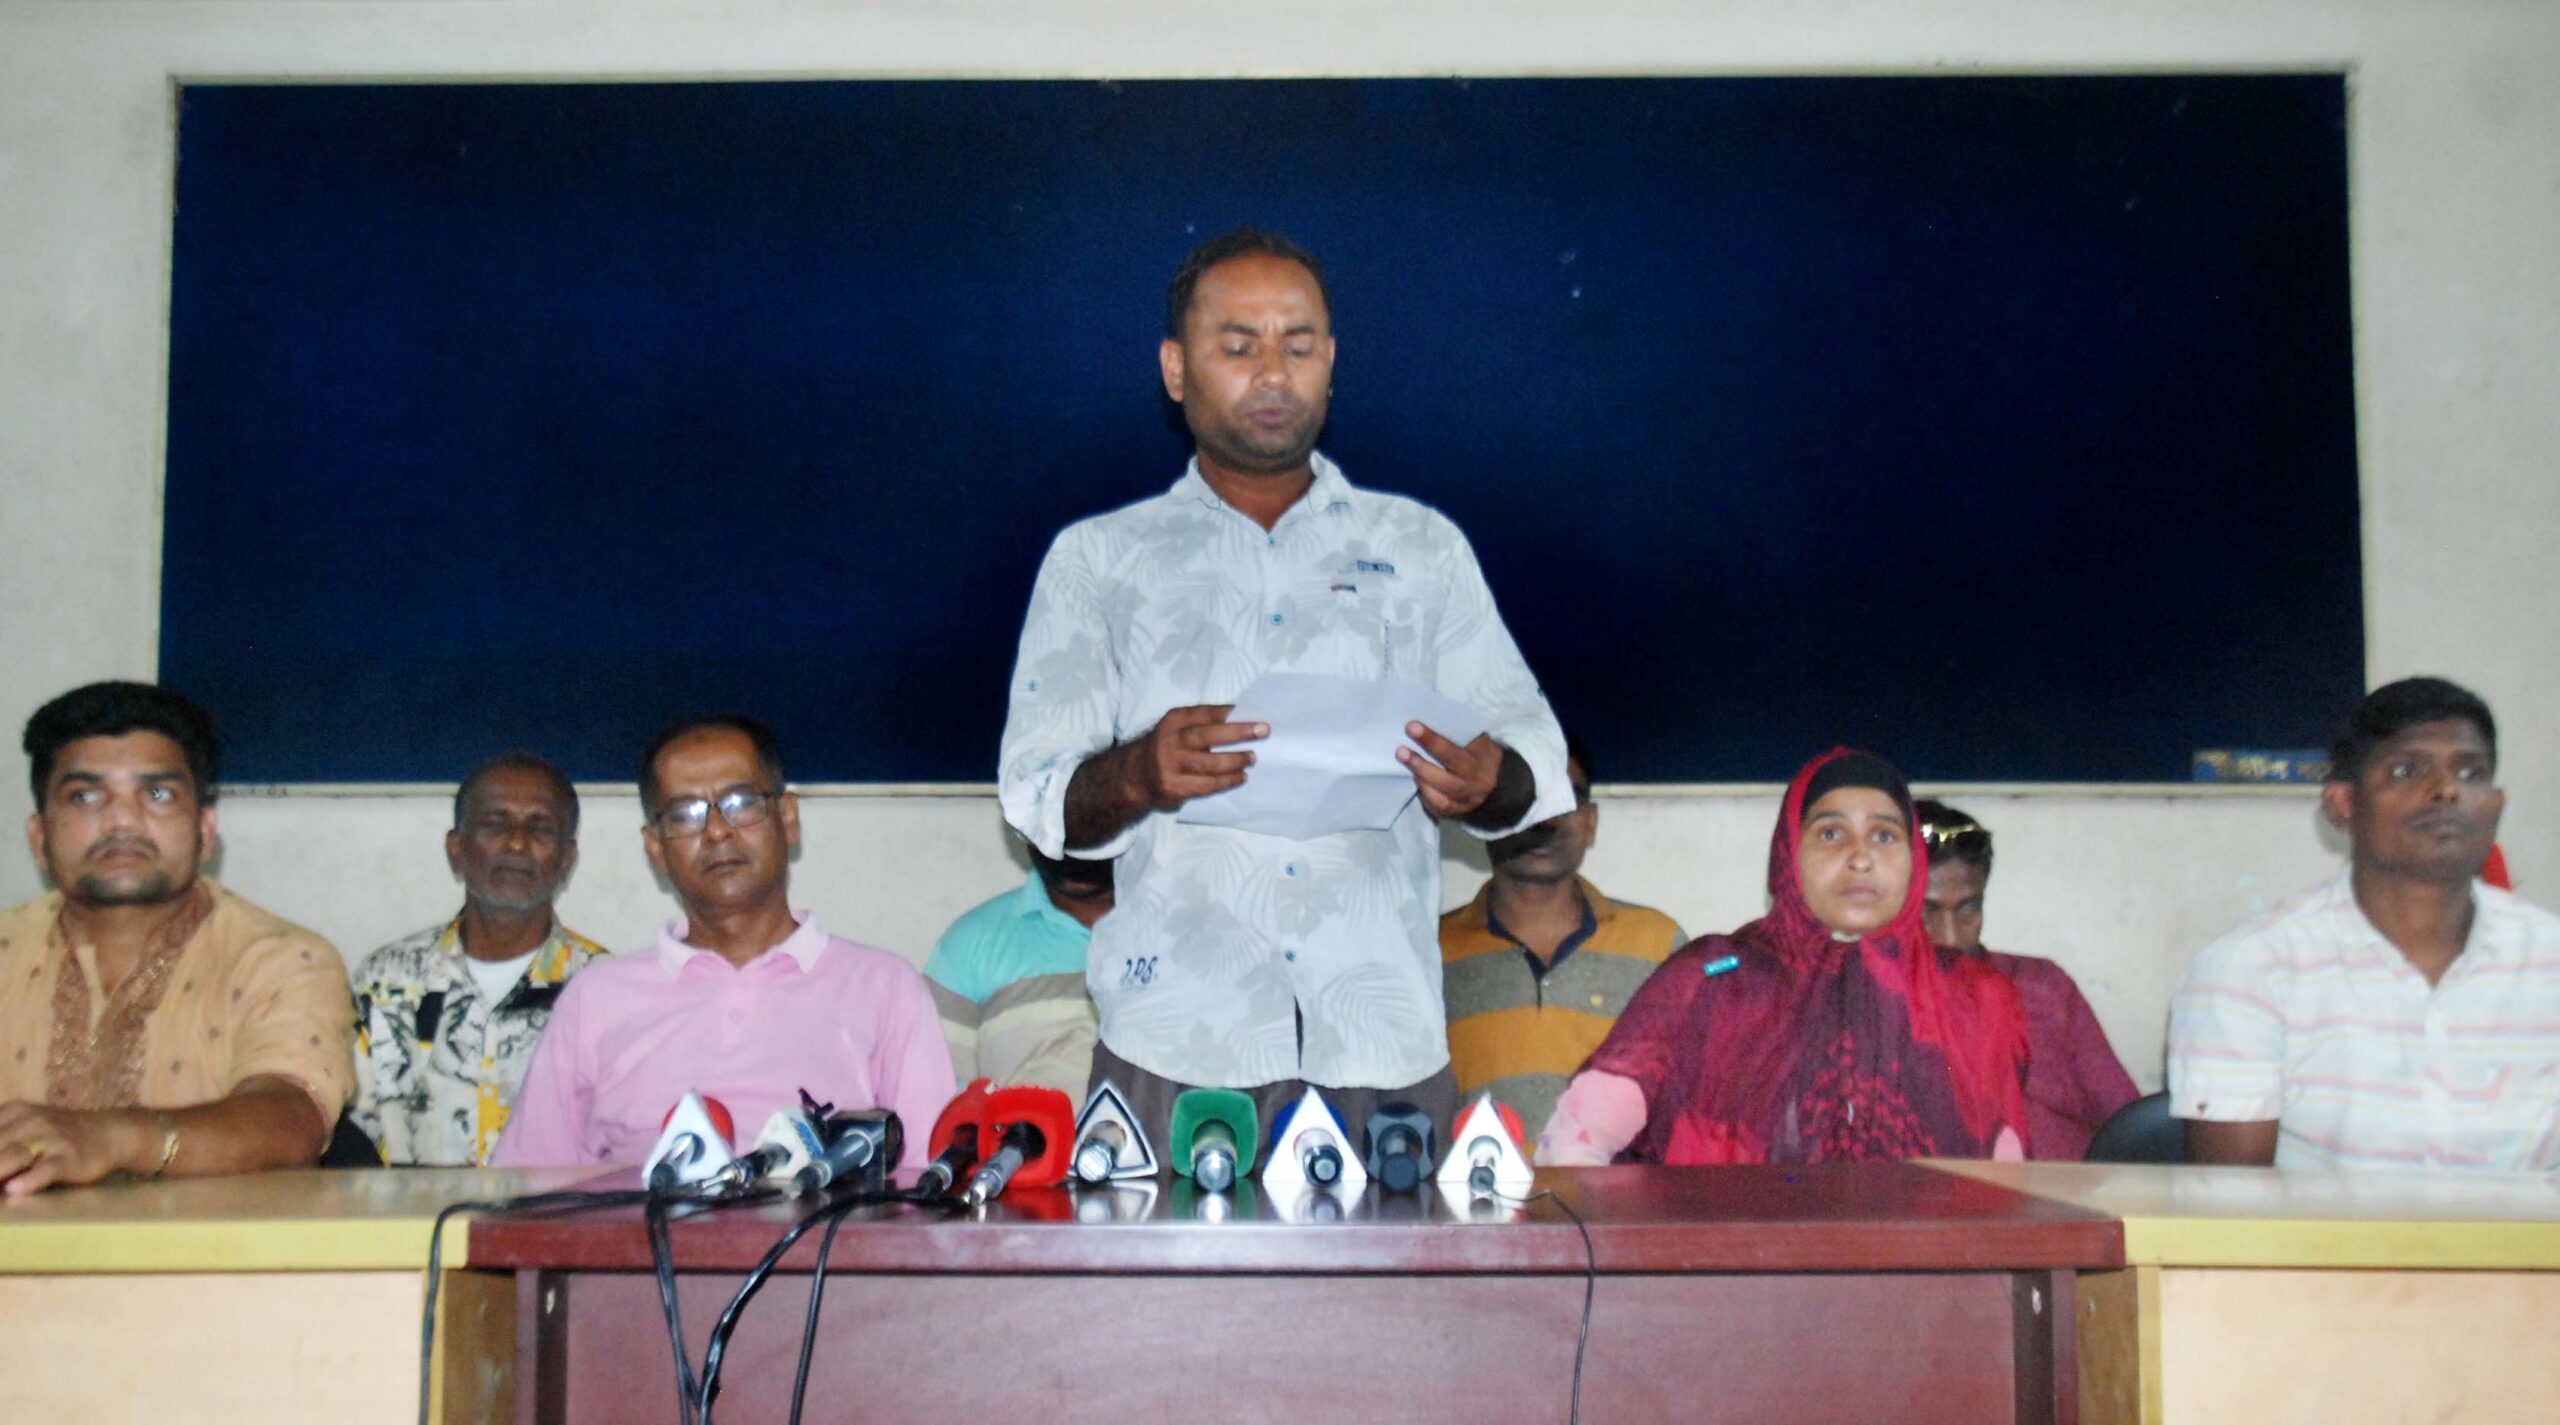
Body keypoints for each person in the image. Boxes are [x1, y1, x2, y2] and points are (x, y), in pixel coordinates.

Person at [997, 228, 1573, 1152]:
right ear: (1176, 368)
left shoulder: (1422, 548)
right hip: (1175, 1045)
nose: (1274, 372)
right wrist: (1139, 773)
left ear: (1331, 361)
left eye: (1299, 346)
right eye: (1239, 345)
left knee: (1401, 1260)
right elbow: (1035, 795)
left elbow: (1536, 764)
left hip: (1380, 1049)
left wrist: (1487, 778)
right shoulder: (1098, 561)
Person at [493, 716, 953, 1167]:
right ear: (656, 848)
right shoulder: (595, 1000)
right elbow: (527, 1186)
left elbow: (928, 1187)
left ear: (788, 819)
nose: (716, 830)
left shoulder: (885, 989)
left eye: (741, 803)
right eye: (686, 814)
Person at [1539, 748, 2029, 1165]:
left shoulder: (1976, 998)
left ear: (1912, 860)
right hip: (1735, 1250)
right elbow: (1574, 1146)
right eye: (1831, 833)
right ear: (1789, 853)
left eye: (1884, 835)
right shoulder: (1711, 977)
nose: (1861, 858)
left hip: (1929, 1252)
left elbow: (2005, 1182)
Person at [2169, 677, 2560, 1169]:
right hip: (2321, 1226)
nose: (2446, 790)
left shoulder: (2549, 958)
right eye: (2406, 770)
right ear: (2342, 804)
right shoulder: (2250, 970)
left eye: (2469, 772)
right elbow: (2231, 1202)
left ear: (2496, 805)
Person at [0, 682, 353, 1195]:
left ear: (205, 832)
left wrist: (112, 1138)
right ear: (39, 839)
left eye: (158, 794)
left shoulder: (282, 959)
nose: (123, 820)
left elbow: (291, 1120)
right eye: (85, 796)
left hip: (213, 1247)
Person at [348, 752, 609, 1166]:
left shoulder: (605, 990)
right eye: (495, 824)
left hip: (553, 1210)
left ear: (566, 859)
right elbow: (350, 1139)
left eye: (540, 828)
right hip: (409, 1210)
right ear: (457, 850)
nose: (517, 843)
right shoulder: (385, 981)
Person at [1440, 737, 1685, 1131]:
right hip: (1475, 1173)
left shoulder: (1658, 945)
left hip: (1620, 1176)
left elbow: (1689, 1101)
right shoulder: (1431, 953)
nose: (1547, 821)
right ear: (1486, 818)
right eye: (1528, 799)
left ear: (1590, 821)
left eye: (1566, 799)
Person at [1916, 799, 2138, 1160]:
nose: (1951, 937)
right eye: (1927, 913)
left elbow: (2127, 1123)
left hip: (2073, 1189)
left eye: (1969, 909)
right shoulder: (1875, 1012)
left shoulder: (2043, 986)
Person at [925, 846, 1110, 1098]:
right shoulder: (969, 945)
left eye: (1091, 826)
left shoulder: (1168, 932)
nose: (1073, 835)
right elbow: (937, 1104)